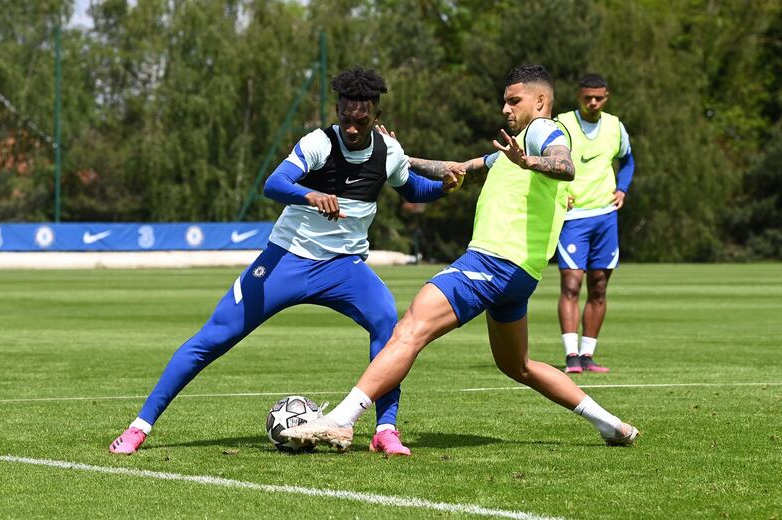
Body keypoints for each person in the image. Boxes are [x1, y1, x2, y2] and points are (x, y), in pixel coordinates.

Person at [279, 64, 639, 453]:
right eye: (504, 100)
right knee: (517, 366)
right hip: (520, 275)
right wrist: (396, 153)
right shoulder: (512, 147)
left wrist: (531, 162)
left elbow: (564, 165)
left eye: (514, 100)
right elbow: (457, 169)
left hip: (493, 262)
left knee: (409, 329)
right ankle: (610, 424)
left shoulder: (541, 131)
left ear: (541, 101)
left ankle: (340, 421)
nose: (505, 108)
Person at [109, 68, 462, 456]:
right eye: (346, 118)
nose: (353, 128)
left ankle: (385, 430)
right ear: (338, 111)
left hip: (345, 268)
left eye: (361, 120)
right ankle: (139, 428)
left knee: (387, 325)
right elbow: (274, 184)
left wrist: (443, 187)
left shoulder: (389, 151)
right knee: (213, 338)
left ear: (376, 113)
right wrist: (310, 195)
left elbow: (412, 189)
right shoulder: (318, 143)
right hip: (286, 261)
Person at [555, 74, 635, 374]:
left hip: (605, 216)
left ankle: (588, 356)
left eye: (598, 98)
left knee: (599, 285)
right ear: (578, 96)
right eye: (588, 97)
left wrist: (622, 188)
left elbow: (628, 160)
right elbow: (544, 161)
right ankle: (571, 355)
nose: (592, 103)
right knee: (571, 283)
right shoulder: (563, 124)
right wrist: (559, 193)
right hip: (573, 218)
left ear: (606, 97)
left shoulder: (615, 126)